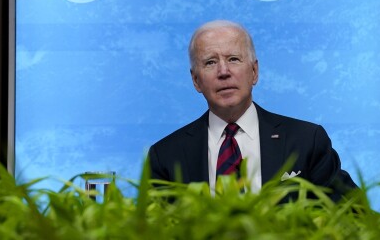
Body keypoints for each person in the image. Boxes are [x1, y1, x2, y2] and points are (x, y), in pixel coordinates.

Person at [147, 20, 357, 201]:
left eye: (233, 59)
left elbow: (352, 214)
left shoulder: (306, 141)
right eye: (210, 62)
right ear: (196, 80)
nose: (223, 71)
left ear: (254, 72)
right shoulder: (165, 155)